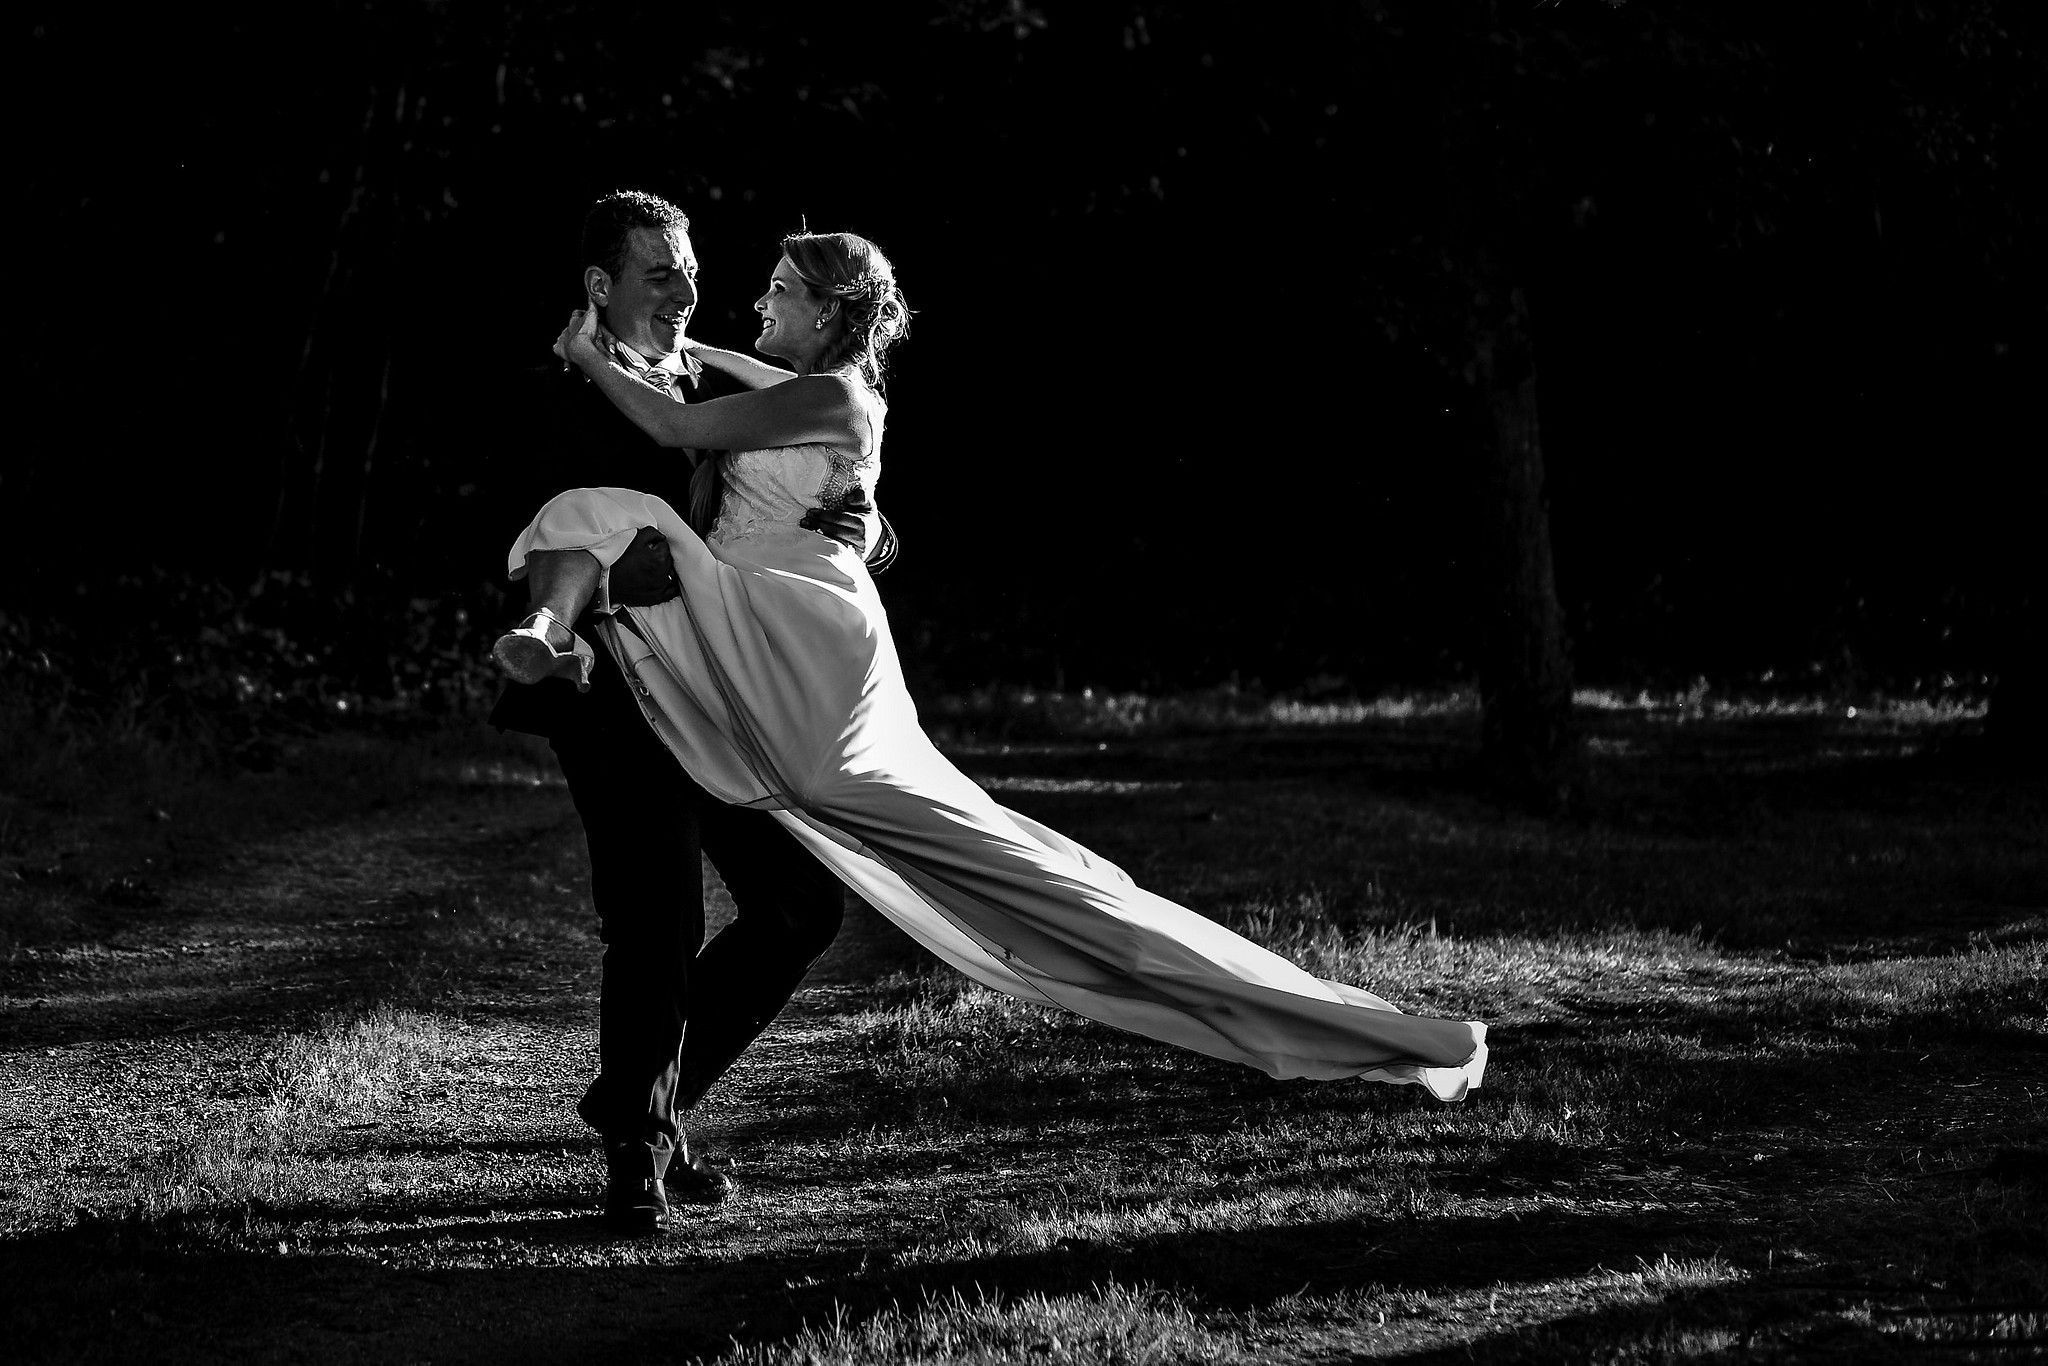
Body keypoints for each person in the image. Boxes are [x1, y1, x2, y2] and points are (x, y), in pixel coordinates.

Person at [507, 230, 1488, 1130]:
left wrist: (592, 355)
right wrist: (647, 359)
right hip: (735, 641)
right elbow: (724, 383)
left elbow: (697, 427)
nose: (747, 304)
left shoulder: (835, 394)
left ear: (831, 311)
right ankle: (641, 1106)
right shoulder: (795, 385)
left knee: (959, 874)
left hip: (790, 643)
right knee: (863, 871)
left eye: (776, 292)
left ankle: (1300, 1015)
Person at [487, 191, 897, 1236]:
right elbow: (543, 539)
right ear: (601, 286)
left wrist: (866, 522)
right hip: (613, 682)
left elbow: (812, 457)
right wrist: (614, 583)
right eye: (658, 275)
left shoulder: (707, 375)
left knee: (799, 907)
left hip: (719, 685)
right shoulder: (558, 394)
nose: (685, 293)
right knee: (658, 908)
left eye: (690, 274)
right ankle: (638, 1154)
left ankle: (643, 1101)